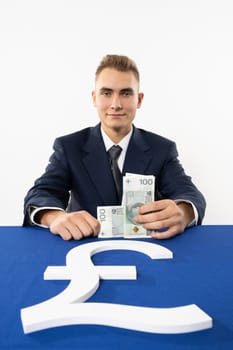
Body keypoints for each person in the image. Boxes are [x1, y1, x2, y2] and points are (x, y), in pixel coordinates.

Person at [23, 54, 206, 241]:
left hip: (145, 246)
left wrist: (182, 214)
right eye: (106, 93)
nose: (116, 104)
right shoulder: (69, 147)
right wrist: (55, 217)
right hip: (82, 244)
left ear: (139, 99)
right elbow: (42, 193)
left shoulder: (162, 149)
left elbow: (189, 193)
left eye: (126, 93)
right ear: (94, 98)